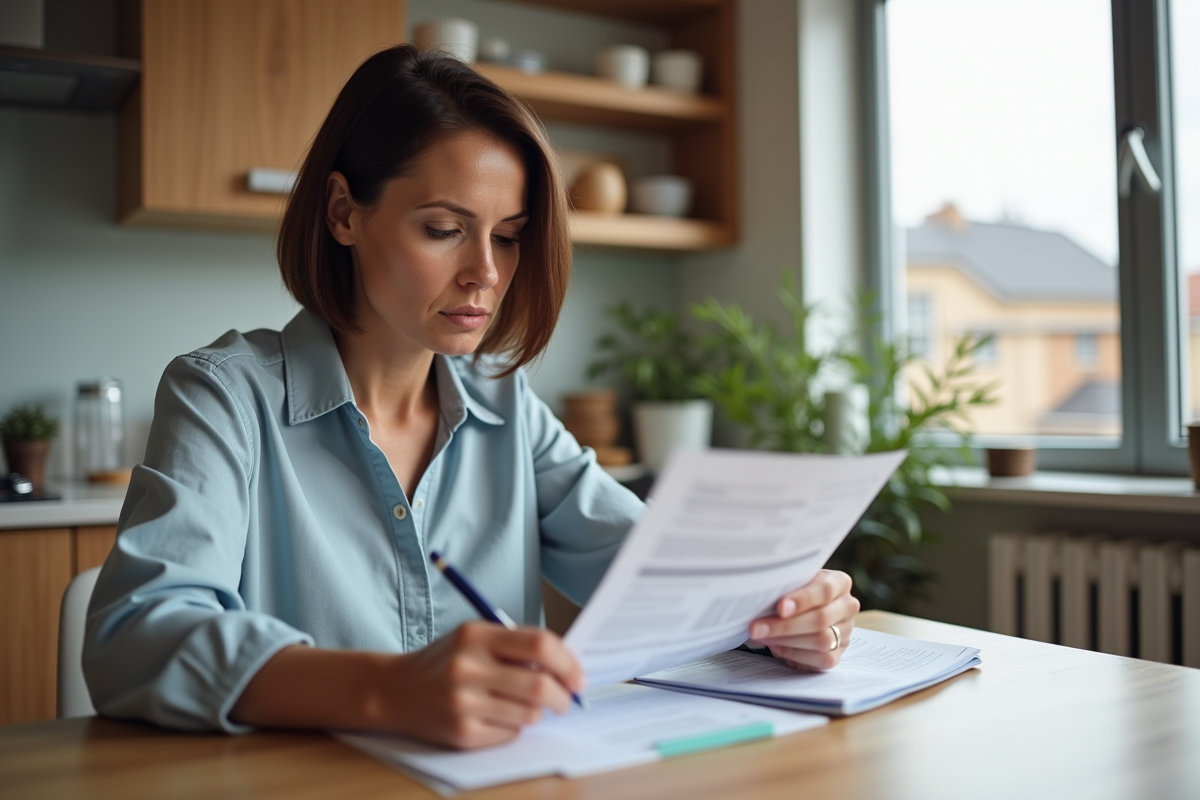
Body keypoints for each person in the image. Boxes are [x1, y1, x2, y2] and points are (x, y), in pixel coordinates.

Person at [82, 45, 860, 750]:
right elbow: (133, 638)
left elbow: (661, 574)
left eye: (509, 234)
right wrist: (388, 690)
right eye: (445, 228)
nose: (486, 272)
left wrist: (784, 609)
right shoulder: (225, 397)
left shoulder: (505, 405)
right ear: (344, 212)